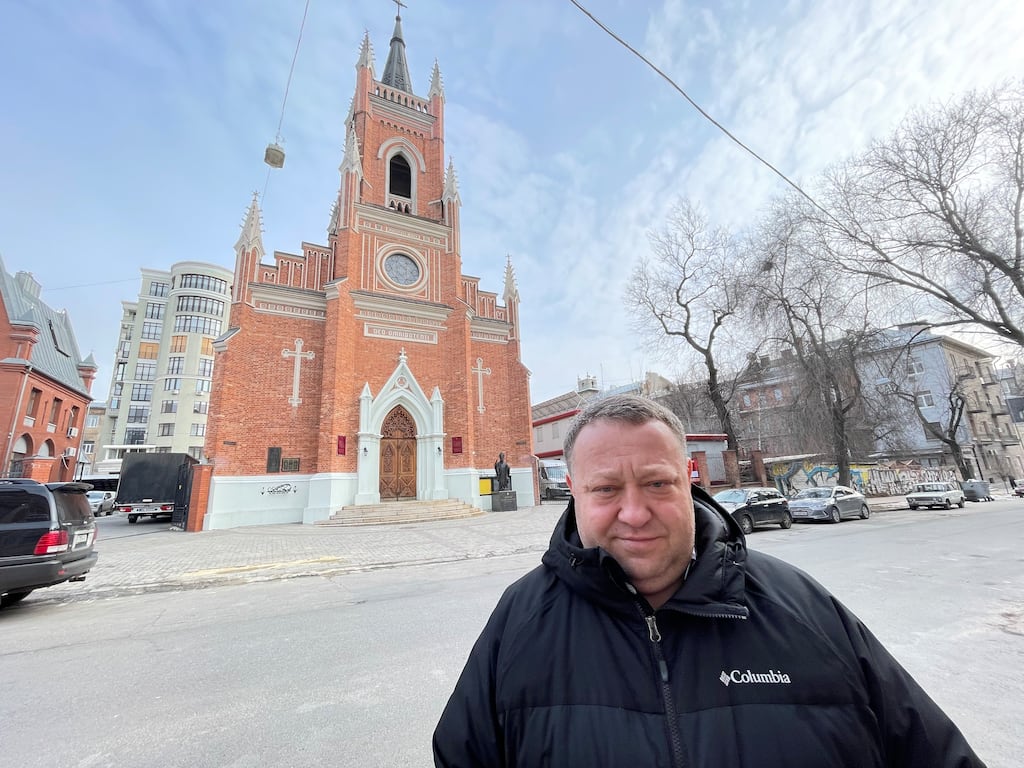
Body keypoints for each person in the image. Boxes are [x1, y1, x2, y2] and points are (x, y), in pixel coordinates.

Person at [433, 394, 984, 767]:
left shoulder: (801, 610)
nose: (634, 512)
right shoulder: (522, 620)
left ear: (687, 483)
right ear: (572, 491)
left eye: (657, 483)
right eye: (605, 490)